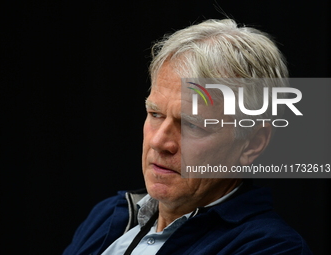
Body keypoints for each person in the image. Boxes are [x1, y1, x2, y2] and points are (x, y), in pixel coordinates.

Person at [63, 19, 312, 255]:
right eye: (155, 114)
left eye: (192, 125)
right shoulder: (108, 214)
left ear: (252, 143)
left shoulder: (270, 248)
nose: (159, 142)